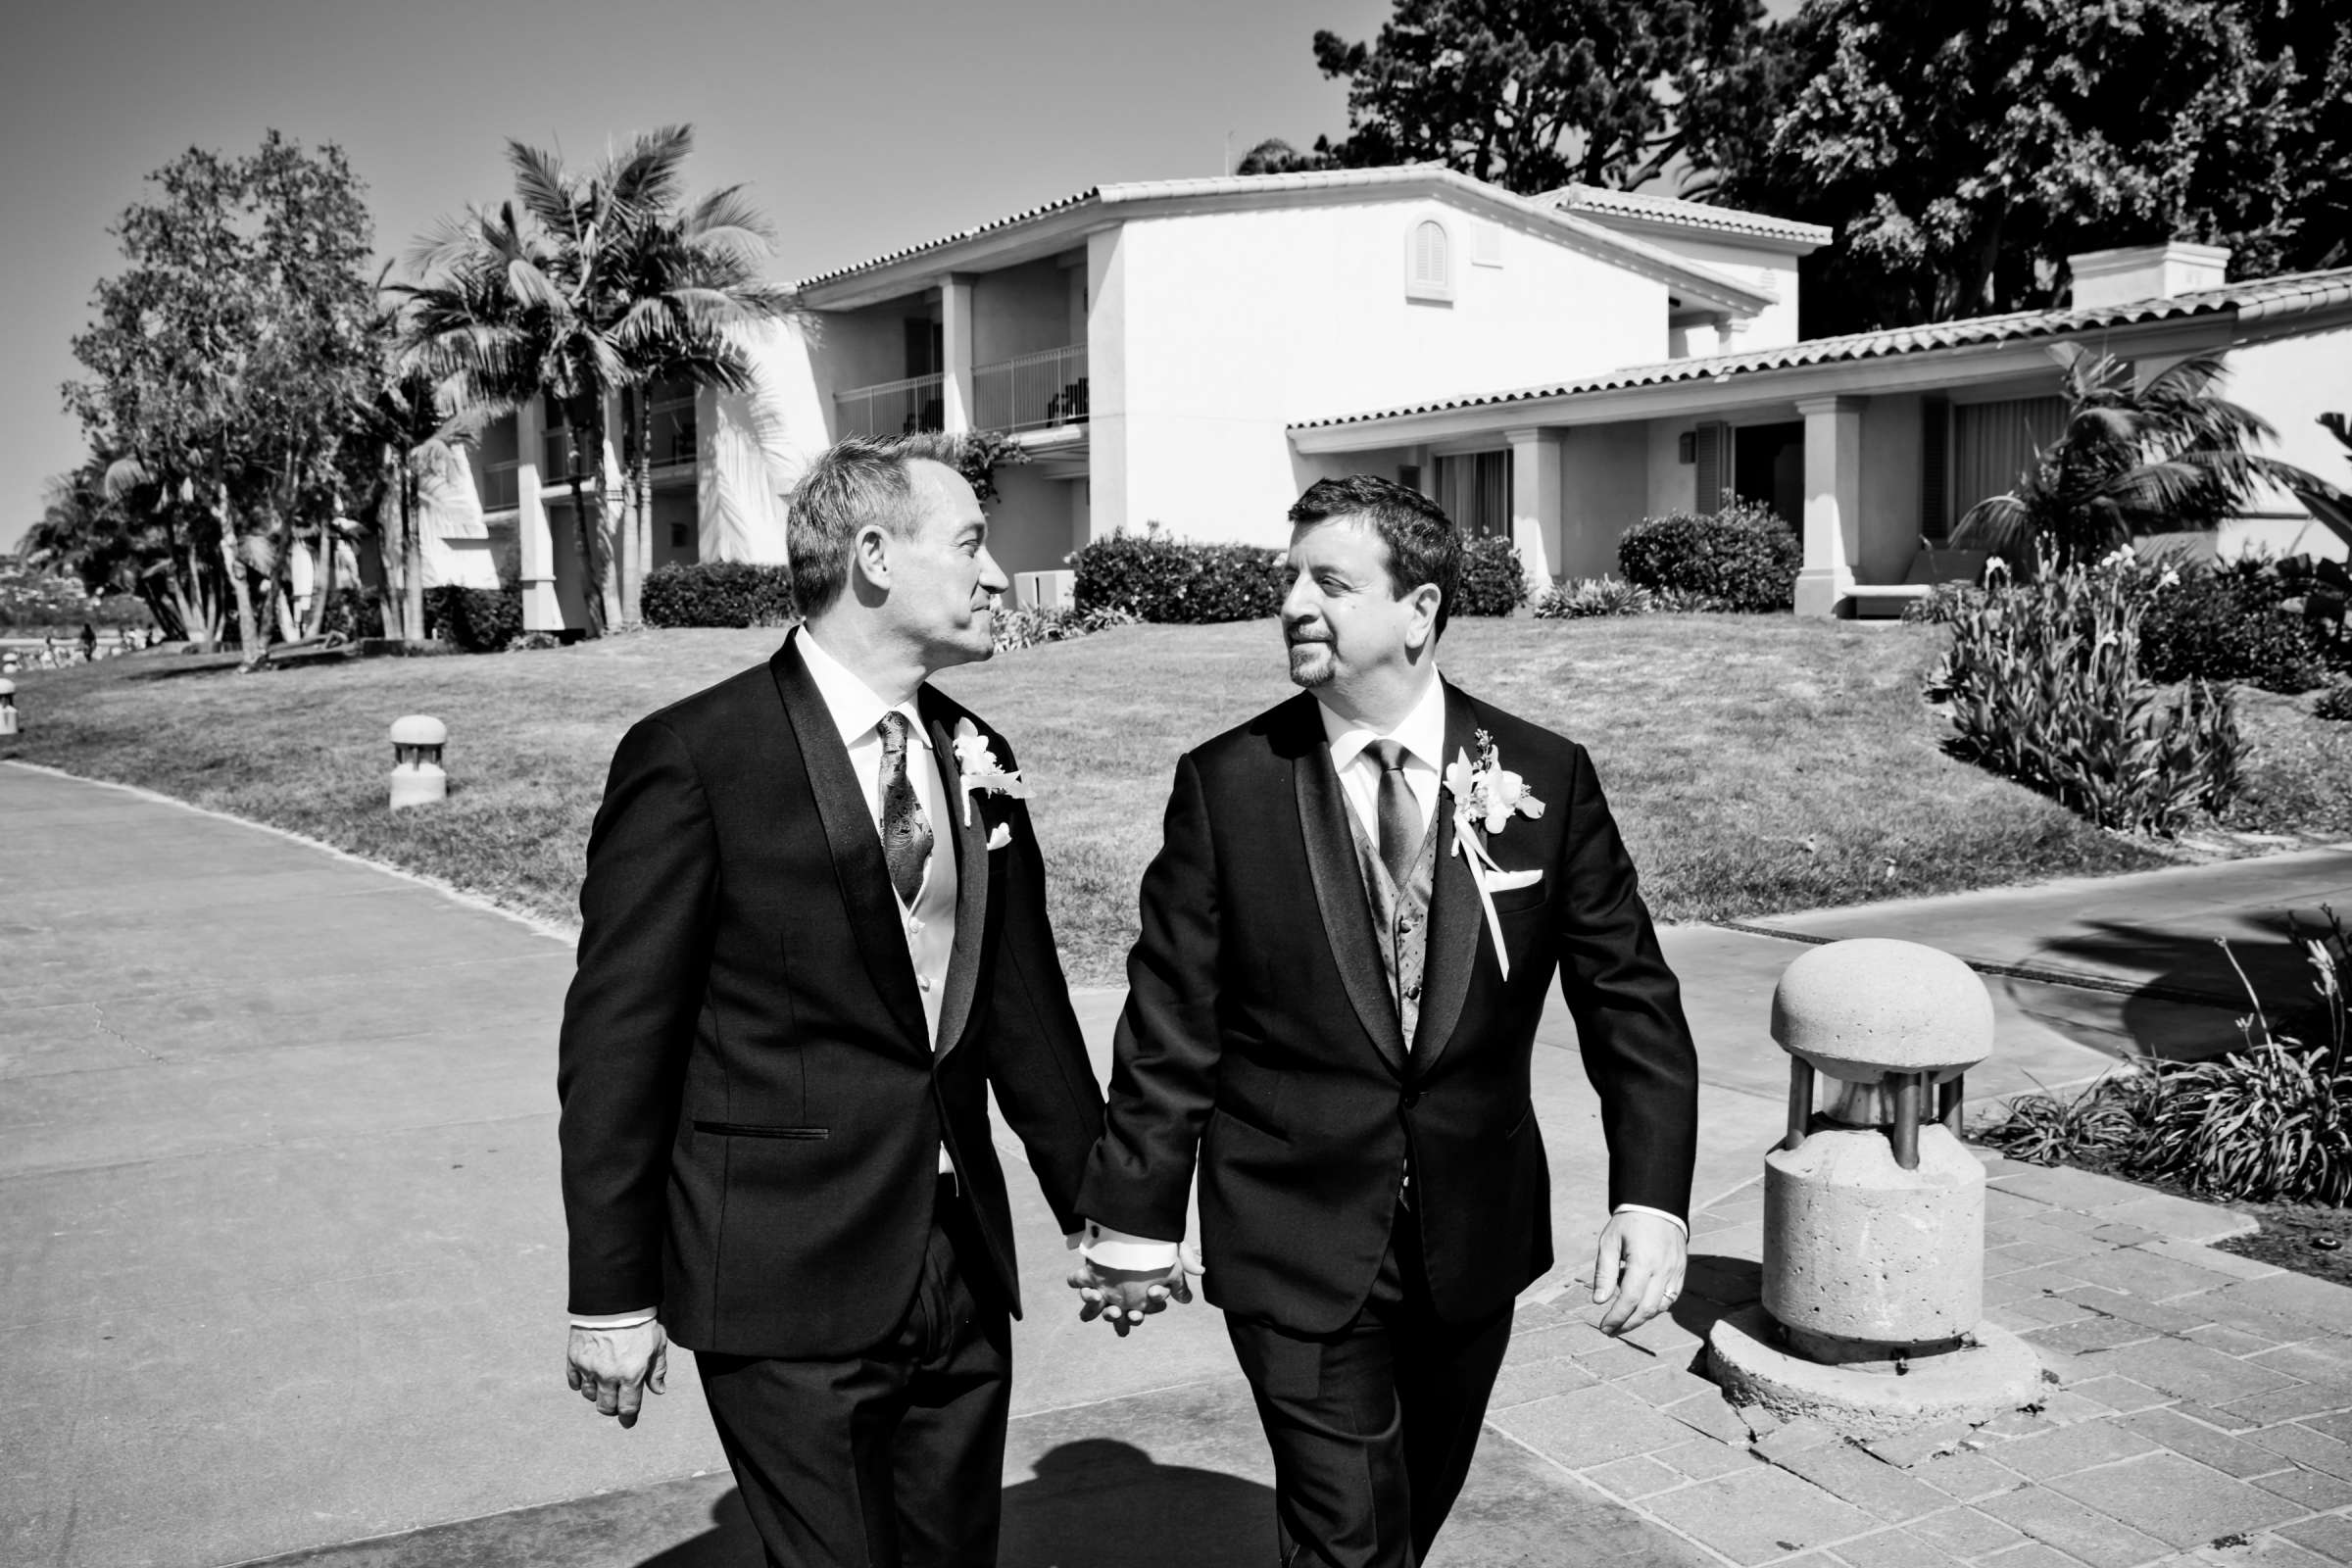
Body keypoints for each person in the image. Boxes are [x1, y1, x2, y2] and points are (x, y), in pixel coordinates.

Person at [1070, 475, 1701, 1568]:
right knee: (1350, 1532)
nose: (1294, 604)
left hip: (1474, 1232)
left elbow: (1629, 998)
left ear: (1419, 610)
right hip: (1292, 1229)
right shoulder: (1228, 785)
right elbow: (1171, 1021)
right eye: (1290, 580)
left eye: (1331, 581)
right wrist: (1135, 1215)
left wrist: (1652, 1193)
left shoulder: (1543, 777)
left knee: (1408, 1510)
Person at [558, 432, 1103, 1568]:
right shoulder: (695, 757)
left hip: (956, 1263)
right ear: (874, 557)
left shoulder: (976, 751)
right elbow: (619, 1042)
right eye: (970, 544)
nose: (999, 575)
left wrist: (1104, 1207)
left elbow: (1025, 1011)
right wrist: (611, 1292)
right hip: (779, 1274)